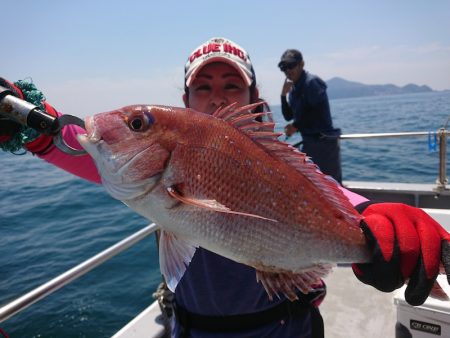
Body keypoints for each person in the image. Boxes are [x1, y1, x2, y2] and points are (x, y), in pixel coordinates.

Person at [1, 37, 449, 338]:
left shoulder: (272, 157)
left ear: (255, 100)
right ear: (185, 103)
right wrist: (31, 120)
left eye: (232, 86)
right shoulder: (141, 166)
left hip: (287, 327)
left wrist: (374, 219)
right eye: (204, 87)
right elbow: (77, 143)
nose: (217, 97)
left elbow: (327, 192)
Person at [279, 49, 342, 183]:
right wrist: (283, 95)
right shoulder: (294, 90)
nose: (288, 71)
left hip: (323, 143)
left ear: (301, 64)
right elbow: (288, 116)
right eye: (284, 68)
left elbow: (314, 111)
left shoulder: (312, 82)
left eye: (291, 66)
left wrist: (295, 126)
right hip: (309, 143)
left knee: (333, 186)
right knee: (316, 186)